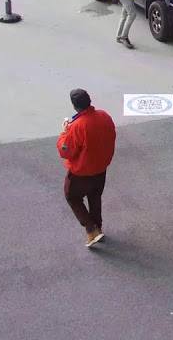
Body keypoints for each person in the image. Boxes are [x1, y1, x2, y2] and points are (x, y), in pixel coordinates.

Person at [57, 89, 117, 247]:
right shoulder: (104, 116)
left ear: (74, 106)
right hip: (100, 169)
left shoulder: (77, 126)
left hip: (81, 173)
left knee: (72, 197)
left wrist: (64, 132)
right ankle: (98, 227)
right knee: (95, 197)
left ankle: (91, 230)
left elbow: (66, 151)